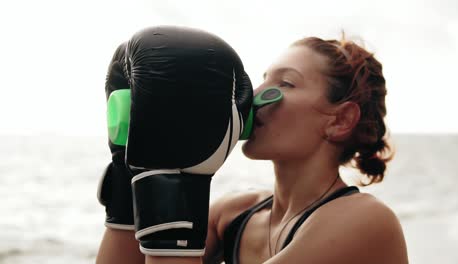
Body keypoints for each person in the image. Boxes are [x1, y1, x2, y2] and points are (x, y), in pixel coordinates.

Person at [97, 34, 409, 264]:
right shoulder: (235, 212)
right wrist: (129, 171)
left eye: (286, 83)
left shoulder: (367, 222)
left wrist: (176, 185)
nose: (255, 96)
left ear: (340, 120)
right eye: (261, 81)